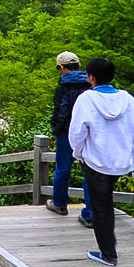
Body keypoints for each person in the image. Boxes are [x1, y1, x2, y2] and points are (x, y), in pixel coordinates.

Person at [66, 56, 134, 267]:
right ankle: (109, 248)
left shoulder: (86, 99)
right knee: (106, 202)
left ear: (91, 77)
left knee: (101, 207)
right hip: (120, 161)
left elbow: (77, 132)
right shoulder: (128, 100)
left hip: (96, 161)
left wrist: (78, 153)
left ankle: (108, 254)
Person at [47, 51, 93, 218]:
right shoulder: (90, 83)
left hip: (67, 133)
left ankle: (59, 204)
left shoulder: (63, 86)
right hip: (89, 134)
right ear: (79, 66)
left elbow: (60, 112)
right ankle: (90, 214)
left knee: (62, 169)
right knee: (89, 172)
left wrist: (56, 131)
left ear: (61, 67)